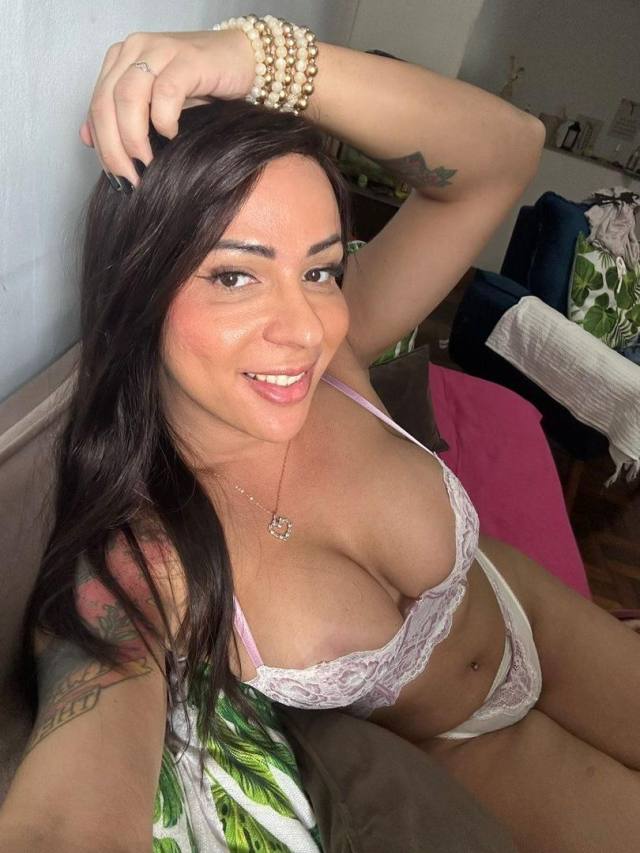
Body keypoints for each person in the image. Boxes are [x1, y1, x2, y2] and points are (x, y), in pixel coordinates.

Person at [1, 15, 639, 853]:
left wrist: (250, 56)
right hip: (476, 747)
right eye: (235, 275)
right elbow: (64, 817)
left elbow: (508, 148)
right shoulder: (149, 559)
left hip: (538, 615)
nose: (304, 328)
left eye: (321, 269)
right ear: (138, 288)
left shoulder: (337, 355)